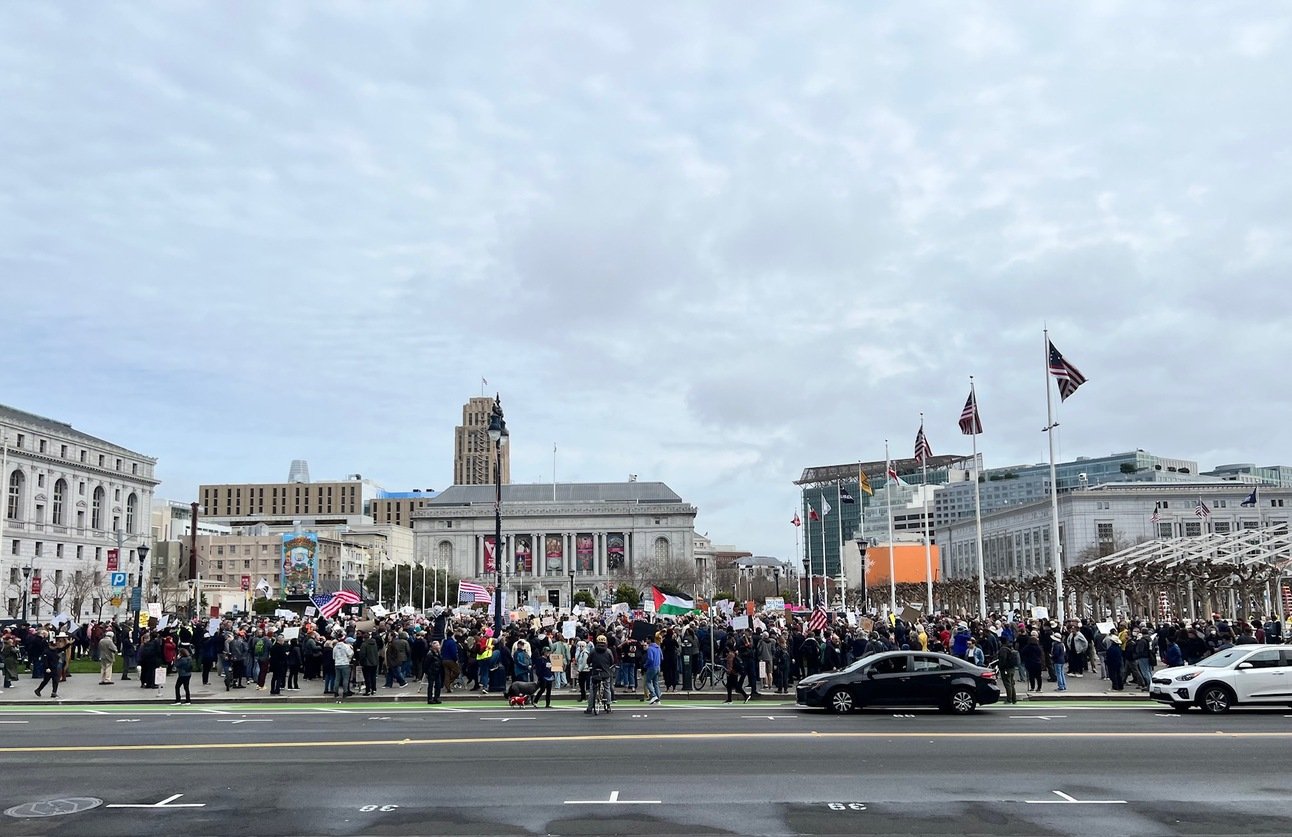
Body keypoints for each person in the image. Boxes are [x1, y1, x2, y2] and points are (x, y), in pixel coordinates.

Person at [585, 635, 615, 714]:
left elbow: (588, 660)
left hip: (595, 672)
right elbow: (612, 661)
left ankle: (589, 708)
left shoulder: (593, 651)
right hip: (605, 673)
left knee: (592, 690)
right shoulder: (608, 651)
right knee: (607, 688)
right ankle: (608, 706)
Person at [996, 640, 1019, 704]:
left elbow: (1003, 660)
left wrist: (1000, 667)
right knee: (1011, 684)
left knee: (1007, 684)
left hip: (1006, 669)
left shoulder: (1003, 650)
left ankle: (1009, 700)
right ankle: (1014, 699)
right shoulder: (1010, 649)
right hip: (1012, 668)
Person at [333, 637, 355, 704]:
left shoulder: (335, 647)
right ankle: (345, 692)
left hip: (337, 664)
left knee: (337, 679)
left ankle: (335, 692)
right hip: (345, 663)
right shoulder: (346, 646)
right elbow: (350, 654)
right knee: (345, 679)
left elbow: (333, 657)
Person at [643, 634, 663, 705]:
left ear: (649, 640)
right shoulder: (658, 647)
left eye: (647, 639)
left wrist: (646, 665)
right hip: (658, 666)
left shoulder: (650, 648)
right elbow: (661, 657)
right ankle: (658, 698)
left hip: (651, 667)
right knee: (655, 682)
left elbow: (650, 659)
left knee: (648, 681)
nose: (646, 641)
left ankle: (654, 695)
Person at [424, 640, 443, 704]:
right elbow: (426, 664)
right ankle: (430, 698)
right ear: (433, 646)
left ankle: (436, 697)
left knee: (438, 685)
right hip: (431, 672)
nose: (439, 646)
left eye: (439, 645)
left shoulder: (438, 653)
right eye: (437, 645)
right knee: (431, 685)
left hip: (438, 671)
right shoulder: (430, 654)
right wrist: (427, 672)